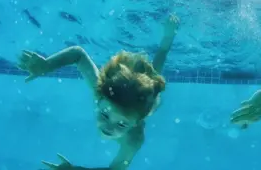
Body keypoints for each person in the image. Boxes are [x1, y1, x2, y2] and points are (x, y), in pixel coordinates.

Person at [18, 14, 180, 170]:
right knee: (152, 76)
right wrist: (46, 65)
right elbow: (78, 55)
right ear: (100, 99)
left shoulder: (133, 139)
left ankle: (166, 42)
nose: (109, 127)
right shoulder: (103, 93)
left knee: (154, 84)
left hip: (143, 104)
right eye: (104, 114)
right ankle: (166, 41)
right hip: (131, 100)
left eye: (122, 124)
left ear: (136, 123)